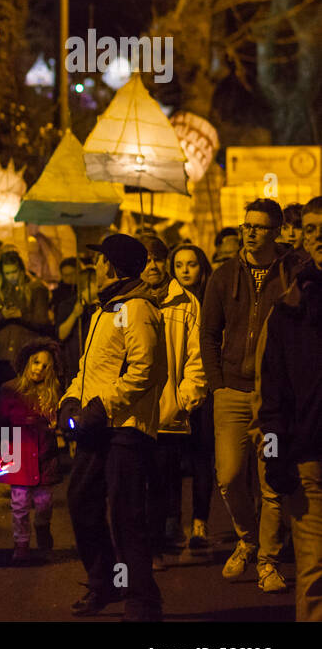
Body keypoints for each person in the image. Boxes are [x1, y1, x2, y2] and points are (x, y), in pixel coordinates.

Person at [59, 232, 167, 621]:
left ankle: (142, 599)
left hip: (125, 427)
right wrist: (69, 400)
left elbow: (144, 371)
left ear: (113, 265)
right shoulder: (107, 308)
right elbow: (91, 370)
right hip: (98, 423)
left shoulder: (135, 309)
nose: (96, 265)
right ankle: (102, 582)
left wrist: (101, 407)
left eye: (101, 259)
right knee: (81, 501)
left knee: (126, 514)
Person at [200, 199, 300, 594]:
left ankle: (267, 561)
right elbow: (208, 333)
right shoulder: (224, 275)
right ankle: (247, 538)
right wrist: (216, 381)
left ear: (275, 233)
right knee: (228, 476)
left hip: (274, 399)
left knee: (271, 480)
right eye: (247, 225)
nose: (251, 231)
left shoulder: (293, 273)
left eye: (259, 227)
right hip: (232, 393)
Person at [257, 196, 322, 621]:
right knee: (315, 572)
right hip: (309, 456)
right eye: (313, 230)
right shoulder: (290, 310)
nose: (321, 238)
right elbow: (274, 394)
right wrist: (275, 454)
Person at [138, 236, 207, 572]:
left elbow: (197, 357)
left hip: (167, 412)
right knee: (133, 483)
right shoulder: (125, 302)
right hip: (131, 412)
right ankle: (136, 546)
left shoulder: (186, 302)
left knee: (161, 483)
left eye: (157, 259)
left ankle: (154, 547)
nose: (152, 266)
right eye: (146, 259)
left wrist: (185, 398)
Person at [0, 339, 63, 564]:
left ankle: (43, 530)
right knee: (19, 504)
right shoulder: (11, 391)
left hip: (43, 458)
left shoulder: (52, 394)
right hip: (19, 457)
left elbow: (58, 422)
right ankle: (21, 544)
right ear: (26, 363)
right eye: (35, 362)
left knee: (44, 503)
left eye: (44, 366)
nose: (39, 368)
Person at [168, 243, 217, 559]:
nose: (185, 270)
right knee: (172, 459)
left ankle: (200, 522)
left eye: (192, 264)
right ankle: (174, 523)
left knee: (202, 457)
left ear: (202, 267)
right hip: (174, 388)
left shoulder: (213, 298)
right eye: (180, 264)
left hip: (208, 387)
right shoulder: (167, 302)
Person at [0, 249, 51, 420]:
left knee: (24, 403)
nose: (11, 276)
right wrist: (2, 316)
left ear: (21, 270)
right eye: (7, 273)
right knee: (3, 404)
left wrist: (21, 315)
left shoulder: (36, 289)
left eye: (14, 272)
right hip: (1, 356)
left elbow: (43, 321)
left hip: (24, 355)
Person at [51, 257, 94, 383]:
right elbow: (61, 334)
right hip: (73, 360)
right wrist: (75, 314)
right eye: (65, 275)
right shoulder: (63, 300)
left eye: (71, 274)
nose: (68, 278)